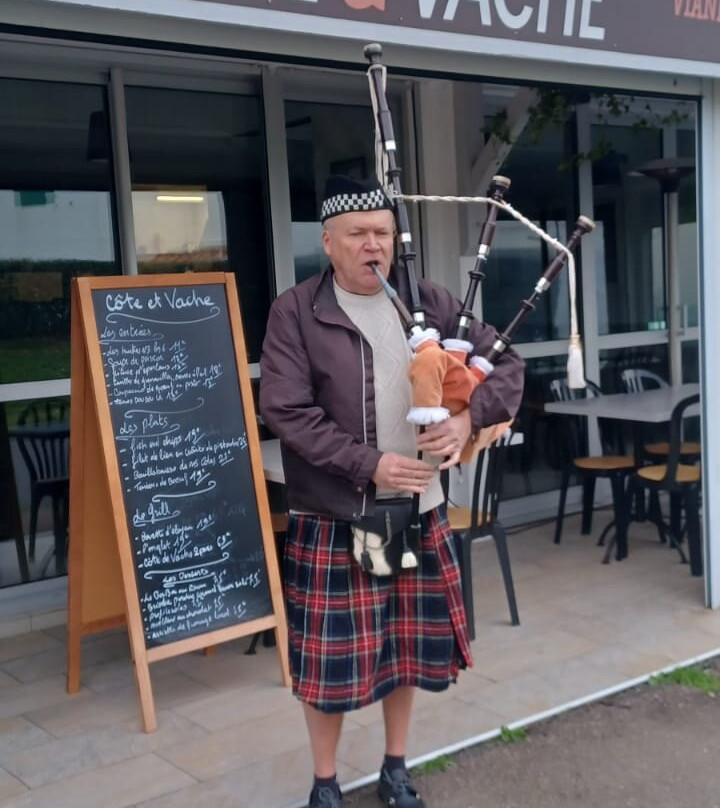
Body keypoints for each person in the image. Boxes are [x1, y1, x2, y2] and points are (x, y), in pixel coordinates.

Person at [259, 175, 524, 808]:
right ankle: (325, 782)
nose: (372, 245)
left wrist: (468, 419)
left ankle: (395, 767)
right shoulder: (296, 311)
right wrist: (369, 464)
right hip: (335, 516)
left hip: (419, 511)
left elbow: (506, 364)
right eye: (357, 234)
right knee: (328, 665)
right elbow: (287, 411)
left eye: (382, 232)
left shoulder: (429, 301)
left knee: (404, 650)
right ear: (328, 242)